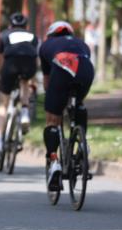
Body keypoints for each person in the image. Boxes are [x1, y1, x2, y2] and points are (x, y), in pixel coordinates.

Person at [38, 20, 95, 193]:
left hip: (63, 67)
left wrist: (54, 103)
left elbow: (47, 82)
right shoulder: (82, 44)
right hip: (86, 69)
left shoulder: (46, 46)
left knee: (52, 120)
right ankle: (83, 144)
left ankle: (54, 162)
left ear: (51, 34)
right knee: (78, 103)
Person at [0, 12, 39, 162]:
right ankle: (24, 112)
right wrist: (33, 79)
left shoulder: (4, 35)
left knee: (3, 105)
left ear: (10, 25)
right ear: (26, 26)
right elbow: (34, 57)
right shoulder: (33, 36)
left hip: (10, 66)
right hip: (28, 65)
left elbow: (0, 59)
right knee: (24, 82)